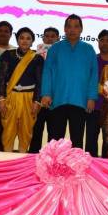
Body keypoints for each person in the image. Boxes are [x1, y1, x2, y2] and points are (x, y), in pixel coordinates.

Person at [41, 14, 98, 149]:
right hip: (57, 99)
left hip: (80, 100)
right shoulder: (55, 48)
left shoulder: (88, 49)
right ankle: (54, 162)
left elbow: (94, 75)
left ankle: (76, 162)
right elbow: (47, 72)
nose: (72, 30)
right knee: (55, 139)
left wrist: (91, 97)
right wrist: (46, 93)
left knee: (77, 140)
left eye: (76, 26)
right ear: (65, 29)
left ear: (81, 29)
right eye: (69, 27)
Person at [0, 27, 45, 153]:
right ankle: (6, 158)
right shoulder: (8, 55)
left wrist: (37, 101)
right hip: (11, 97)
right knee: (8, 131)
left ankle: (22, 157)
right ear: (17, 40)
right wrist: (1, 98)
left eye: (28, 38)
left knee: (26, 131)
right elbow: (1, 78)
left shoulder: (37, 58)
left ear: (32, 41)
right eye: (22, 38)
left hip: (28, 98)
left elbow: (40, 82)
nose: (25, 41)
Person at [85, 30, 108, 157]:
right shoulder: (92, 60)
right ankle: (90, 166)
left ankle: (106, 167)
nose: (105, 43)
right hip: (92, 106)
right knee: (90, 140)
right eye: (102, 40)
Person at [30, 27, 60, 153]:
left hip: (55, 99)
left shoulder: (62, 54)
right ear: (42, 38)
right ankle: (32, 157)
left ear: (58, 38)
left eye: (53, 36)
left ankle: (52, 158)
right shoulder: (34, 55)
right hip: (38, 99)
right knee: (36, 131)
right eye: (47, 36)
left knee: (54, 134)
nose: (49, 38)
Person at [0, 20, 15, 150]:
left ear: (11, 34)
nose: (3, 33)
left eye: (6, 31)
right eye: (0, 31)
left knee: (2, 134)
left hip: (7, 97)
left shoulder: (14, 52)